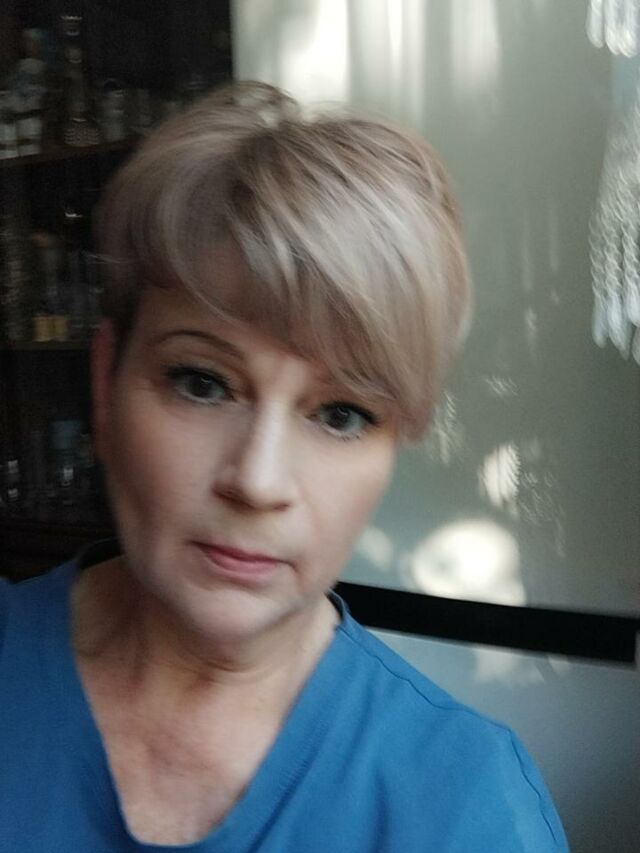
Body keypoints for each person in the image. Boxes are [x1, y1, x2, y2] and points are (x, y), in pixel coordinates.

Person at [0, 82, 568, 852]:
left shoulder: (464, 805)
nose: (258, 481)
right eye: (202, 383)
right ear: (106, 386)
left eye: (341, 414)